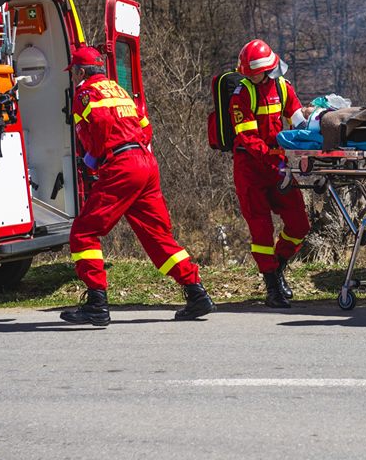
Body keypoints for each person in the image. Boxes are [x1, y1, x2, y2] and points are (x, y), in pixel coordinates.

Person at [60, 46, 215, 325]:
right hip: (145, 162)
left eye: (74, 72)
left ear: (81, 72)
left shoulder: (85, 93)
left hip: (122, 165)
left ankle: (96, 302)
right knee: (157, 236)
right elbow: (145, 127)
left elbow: (96, 131)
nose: (73, 77)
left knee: (83, 233)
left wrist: (94, 160)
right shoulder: (119, 91)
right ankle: (196, 292)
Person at [230, 39, 311, 308]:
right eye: (247, 73)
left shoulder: (283, 87)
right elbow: (249, 140)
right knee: (261, 230)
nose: (250, 76)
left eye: (254, 72)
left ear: (268, 68)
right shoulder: (242, 94)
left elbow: (298, 118)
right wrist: (277, 161)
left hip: (277, 165)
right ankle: (272, 287)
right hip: (251, 170)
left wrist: (315, 133)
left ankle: (278, 268)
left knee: (299, 225)